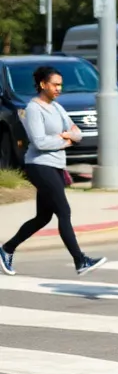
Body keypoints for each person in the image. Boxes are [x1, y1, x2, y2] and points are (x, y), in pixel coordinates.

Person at [0, 67, 105, 277]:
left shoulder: (56, 108)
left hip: (55, 165)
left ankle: (6, 249)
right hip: (39, 166)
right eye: (55, 84)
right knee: (63, 212)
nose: (59, 88)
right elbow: (39, 142)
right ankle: (80, 260)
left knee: (43, 217)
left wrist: (67, 136)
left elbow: (78, 133)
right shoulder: (33, 109)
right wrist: (65, 140)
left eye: (60, 85)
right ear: (42, 85)